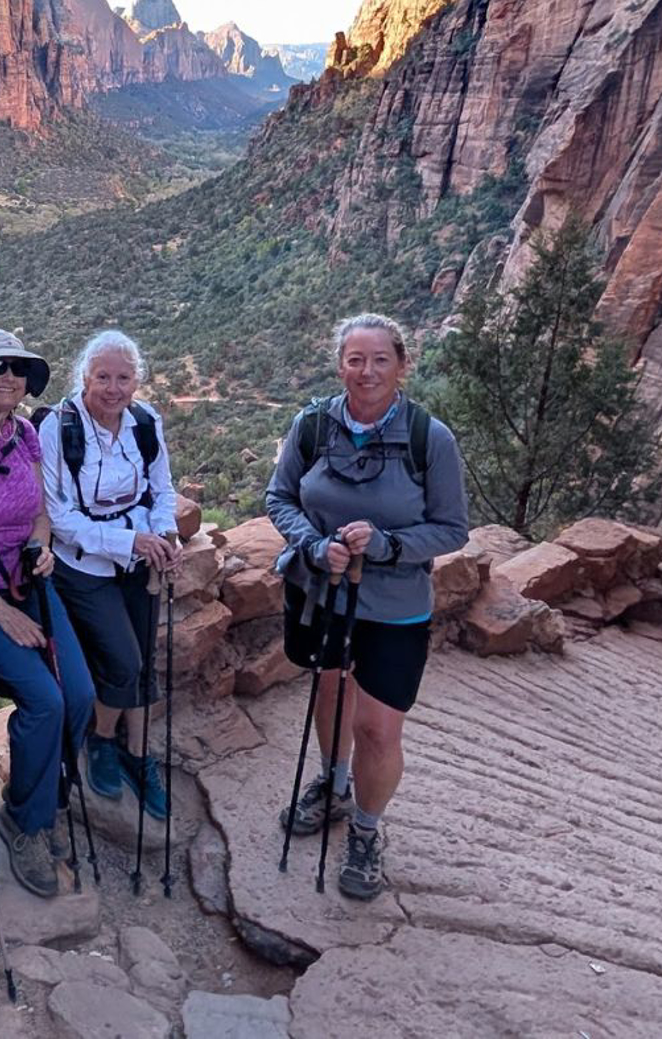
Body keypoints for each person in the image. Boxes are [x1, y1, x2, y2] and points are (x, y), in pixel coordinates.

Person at [265, 313, 469, 901]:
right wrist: (310, 542)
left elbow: (453, 529)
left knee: (378, 729)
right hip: (321, 591)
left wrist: (388, 547)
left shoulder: (431, 438)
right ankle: (332, 783)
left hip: (396, 606)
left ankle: (366, 828)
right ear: (340, 366)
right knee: (329, 690)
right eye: (356, 359)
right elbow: (279, 497)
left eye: (381, 359)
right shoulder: (311, 426)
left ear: (402, 366)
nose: (368, 371)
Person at [0, 330, 95, 899]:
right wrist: (4, 616)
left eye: (19, 369)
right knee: (45, 699)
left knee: (78, 696)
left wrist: (42, 547)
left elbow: (39, 513)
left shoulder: (24, 432)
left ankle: (42, 794)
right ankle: (26, 822)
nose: (10, 377)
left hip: (27, 576)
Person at [39, 329, 183, 822]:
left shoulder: (145, 422)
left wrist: (165, 534)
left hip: (140, 557)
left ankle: (138, 756)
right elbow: (58, 517)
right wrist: (129, 541)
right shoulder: (59, 428)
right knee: (122, 659)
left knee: (143, 662)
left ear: (136, 380)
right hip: (84, 565)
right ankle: (103, 742)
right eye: (103, 377)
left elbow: (162, 489)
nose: (113, 388)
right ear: (84, 376)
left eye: (123, 378)